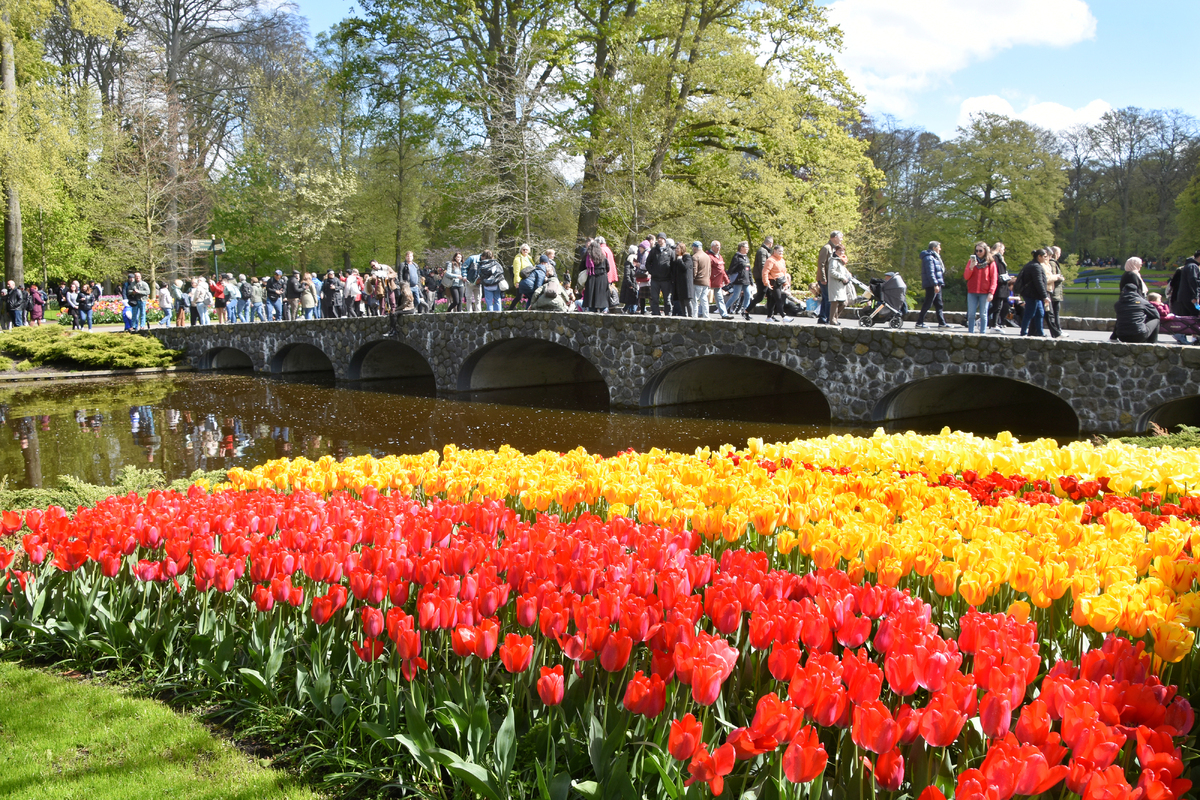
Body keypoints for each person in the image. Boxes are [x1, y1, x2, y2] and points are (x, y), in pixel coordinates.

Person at [963, 241, 997, 334]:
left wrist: (991, 292)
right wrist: (971, 267)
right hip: (972, 291)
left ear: (985, 251)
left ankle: (982, 333)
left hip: (985, 292)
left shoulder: (990, 263)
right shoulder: (972, 261)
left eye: (980, 251)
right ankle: (971, 332)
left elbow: (994, 278)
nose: (978, 253)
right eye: (976, 251)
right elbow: (966, 277)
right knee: (971, 314)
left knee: (983, 314)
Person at [1017, 249, 1051, 337]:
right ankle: (1023, 332)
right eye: (1044, 256)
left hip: (1035, 295)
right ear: (1039, 256)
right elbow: (1038, 282)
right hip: (1031, 294)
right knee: (1029, 313)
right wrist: (1045, 296)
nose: (1046, 258)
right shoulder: (1035, 266)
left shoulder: (1034, 265)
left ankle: (1040, 333)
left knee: (1040, 313)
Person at [914, 242, 947, 328]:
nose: (940, 249)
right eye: (939, 247)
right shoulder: (929, 258)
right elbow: (930, 272)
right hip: (932, 284)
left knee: (939, 304)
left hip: (937, 283)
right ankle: (919, 322)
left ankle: (942, 323)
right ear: (934, 248)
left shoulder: (934, 257)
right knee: (928, 303)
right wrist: (935, 284)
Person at [815, 231, 841, 324]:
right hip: (825, 279)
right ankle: (828, 319)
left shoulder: (835, 249)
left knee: (827, 298)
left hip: (831, 279)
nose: (841, 239)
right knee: (828, 299)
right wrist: (823, 278)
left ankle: (823, 318)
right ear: (834, 237)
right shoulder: (826, 248)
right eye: (840, 237)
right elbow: (821, 264)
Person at [582, 237, 614, 313]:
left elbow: (581, 267)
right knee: (602, 299)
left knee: (592, 302)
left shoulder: (587, 257)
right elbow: (608, 268)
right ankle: (604, 313)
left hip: (591, 278)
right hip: (602, 278)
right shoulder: (603, 256)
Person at [744, 236, 773, 316]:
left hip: (762, 276)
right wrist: (766, 277)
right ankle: (746, 311)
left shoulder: (764, 251)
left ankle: (770, 315)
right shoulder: (763, 251)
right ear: (770, 244)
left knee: (770, 295)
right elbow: (763, 265)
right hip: (761, 277)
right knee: (761, 296)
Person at [646, 233, 673, 315]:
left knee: (667, 299)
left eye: (661, 238)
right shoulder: (653, 250)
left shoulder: (670, 251)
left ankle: (668, 313)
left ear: (664, 239)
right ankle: (656, 313)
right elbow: (648, 263)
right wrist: (652, 272)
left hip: (666, 279)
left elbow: (673, 265)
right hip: (655, 279)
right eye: (658, 238)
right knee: (654, 298)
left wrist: (670, 274)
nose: (659, 240)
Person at [725, 241, 753, 319]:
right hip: (738, 280)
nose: (747, 249)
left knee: (748, 295)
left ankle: (745, 312)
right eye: (746, 247)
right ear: (741, 248)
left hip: (746, 280)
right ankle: (724, 309)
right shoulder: (736, 257)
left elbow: (749, 270)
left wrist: (751, 280)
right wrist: (729, 278)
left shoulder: (746, 257)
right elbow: (731, 269)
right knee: (736, 296)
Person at [826, 244, 852, 325]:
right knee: (835, 302)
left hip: (841, 286)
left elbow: (844, 271)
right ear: (836, 251)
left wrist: (848, 275)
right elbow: (831, 271)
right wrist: (842, 277)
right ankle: (832, 320)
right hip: (835, 285)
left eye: (843, 250)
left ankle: (835, 318)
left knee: (844, 303)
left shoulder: (841, 261)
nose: (842, 252)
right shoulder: (834, 260)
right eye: (840, 250)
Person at [762, 245, 789, 322]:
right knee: (778, 299)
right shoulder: (770, 260)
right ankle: (783, 316)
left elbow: (784, 272)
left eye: (782, 251)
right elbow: (765, 272)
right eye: (779, 251)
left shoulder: (782, 260)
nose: (781, 253)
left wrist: (786, 283)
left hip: (780, 281)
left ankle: (769, 317)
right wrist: (766, 282)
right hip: (773, 281)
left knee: (773, 300)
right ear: (775, 251)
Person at [1045, 246, 1066, 338]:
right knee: (1055, 312)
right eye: (1059, 253)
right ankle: (1058, 330)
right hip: (1054, 292)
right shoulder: (1052, 263)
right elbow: (1052, 277)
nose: (1059, 255)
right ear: (1055, 253)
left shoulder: (1051, 263)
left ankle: (1057, 330)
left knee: (1054, 311)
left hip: (1055, 291)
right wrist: (1060, 278)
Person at [668, 240, 692, 316]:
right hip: (678, 283)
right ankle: (684, 315)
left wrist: (680, 260)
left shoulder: (687, 257)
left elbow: (685, 267)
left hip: (685, 283)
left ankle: (691, 315)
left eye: (678, 249)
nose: (676, 250)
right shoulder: (676, 259)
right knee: (680, 300)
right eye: (676, 249)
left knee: (687, 301)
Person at [690, 241, 711, 318]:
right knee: (704, 299)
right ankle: (706, 315)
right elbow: (709, 270)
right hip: (706, 281)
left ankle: (694, 316)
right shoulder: (707, 256)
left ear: (695, 247)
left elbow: (694, 270)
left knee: (695, 300)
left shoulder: (695, 257)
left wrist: (692, 279)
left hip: (697, 281)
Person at [708, 241, 728, 319]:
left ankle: (724, 314)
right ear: (712, 247)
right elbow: (708, 269)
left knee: (720, 298)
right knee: (705, 298)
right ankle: (700, 313)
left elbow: (722, 270)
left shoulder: (720, 256)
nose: (719, 248)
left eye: (719, 246)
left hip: (718, 281)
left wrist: (726, 280)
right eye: (717, 246)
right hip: (711, 281)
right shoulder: (709, 256)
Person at [620, 245, 640, 313]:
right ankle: (626, 310)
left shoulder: (629, 263)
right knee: (631, 299)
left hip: (633, 283)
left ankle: (629, 310)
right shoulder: (628, 263)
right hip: (630, 285)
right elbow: (627, 275)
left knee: (633, 299)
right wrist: (630, 284)